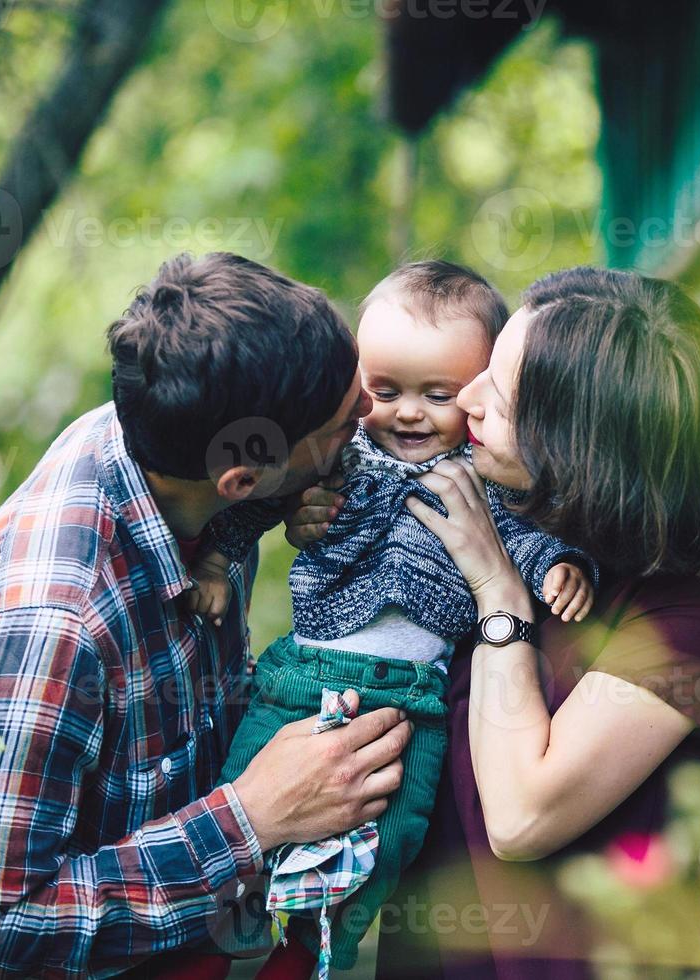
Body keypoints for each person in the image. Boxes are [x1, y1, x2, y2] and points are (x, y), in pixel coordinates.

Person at [0, 253, 413, 979]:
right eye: (344, 417)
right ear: (241, 478)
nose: (370, 414)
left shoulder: (181, 439)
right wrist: (250, 819)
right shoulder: (52, 627)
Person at [286, 266, 700, 976]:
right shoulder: (502, 491)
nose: (469, 401)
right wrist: (317, 522)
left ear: (580, 445)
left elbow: (520, 818)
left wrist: (498, 594)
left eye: (502, 398)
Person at [180, 261, 597, 979]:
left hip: (414, 700)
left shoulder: (482, 477)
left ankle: (327, 943)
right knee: (245, 782)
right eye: (386, 390)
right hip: (305, 675)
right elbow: (253, 507)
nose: (408, 413)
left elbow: (521, 540)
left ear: (477, 391)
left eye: (437, 396)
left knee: (396, 831)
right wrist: (216, 563)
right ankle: (233, 917)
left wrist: (561, 564)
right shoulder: (338, 460)